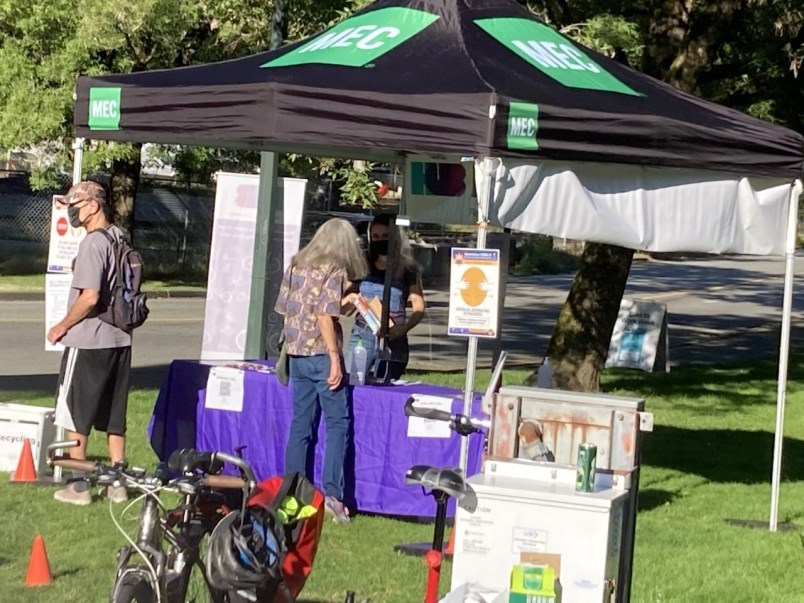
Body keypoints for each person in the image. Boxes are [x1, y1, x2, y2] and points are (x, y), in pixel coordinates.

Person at [274, 218, 368, 523]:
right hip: (320, 354)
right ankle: (333, 495)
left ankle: (292, 493)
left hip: (296, 354)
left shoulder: (297, 264)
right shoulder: (334, 269)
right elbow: (324, 315)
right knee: (337, 423)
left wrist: (347, 301)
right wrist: (334, 356)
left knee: (301, 424)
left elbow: (292, 307)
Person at [47, 180, 132, 506]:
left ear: (94, 206)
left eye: (77, 203)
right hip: (119, 338)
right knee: (114, 415)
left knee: (74, 412)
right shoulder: (119, 238)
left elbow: (90, 296)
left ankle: (79, 485)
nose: (72, 210)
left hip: (89, 339)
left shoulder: (93, 244)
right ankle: (117, 483)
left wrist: (61, 325)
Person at [345, 214, 426, 381]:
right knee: (352, 382)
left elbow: (418, 306)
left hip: (394, 337)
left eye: (384, 236)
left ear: (394, 238)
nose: (379, 240)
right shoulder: (362, 264)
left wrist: (403, 329)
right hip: (363, 335)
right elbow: (344, 303)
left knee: (387, 386)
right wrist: (351, 298)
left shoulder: (407, 268)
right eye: (375, 237)